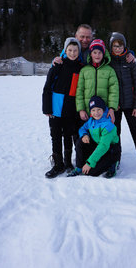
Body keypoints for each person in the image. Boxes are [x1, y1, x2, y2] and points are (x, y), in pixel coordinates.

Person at [109, 32, 136, 171]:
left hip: (130, 105)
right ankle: (116, 159)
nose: (118, 48)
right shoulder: (108, 61)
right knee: (115, 133)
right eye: (115, 46)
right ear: (111, 47)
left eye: (120, 45)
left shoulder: (130, 61)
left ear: (124, 46)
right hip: (115, 105)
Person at [42, 37, 83, 178]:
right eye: (70, 50)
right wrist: (47, 108)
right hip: (55, 109)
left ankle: (67, 162)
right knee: (56, 136)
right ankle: (58, 163)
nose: (72, 53)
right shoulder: (57, 66)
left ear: (79, 51)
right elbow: (47, 88)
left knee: (68, 135)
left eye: (75, 50)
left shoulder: (80, 67)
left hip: (70, 110)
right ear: (65, 51)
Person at [68, 96, 120, 178]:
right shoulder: (92, 120)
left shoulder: (108, 124)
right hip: (97, 145)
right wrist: (85, 135)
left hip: (110, 150)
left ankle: (113, 163)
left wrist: (89, 163)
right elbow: (82, 128)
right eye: (93, 110)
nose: (96, 113)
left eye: (99, 109)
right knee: (80, 141)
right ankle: (79, 168)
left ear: (103, 109)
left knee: (91, 172)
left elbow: (103, 146)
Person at [76, 39, 119, 124]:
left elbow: (114, 91)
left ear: (103, 54)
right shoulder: (84, 70)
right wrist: (81, 109)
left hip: (104, 112)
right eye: (94, 52)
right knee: (86, 135)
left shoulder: (110, 71)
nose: (97, 55)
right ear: (90, 54)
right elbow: (79, 91)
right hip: (88, 112)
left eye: (100, 52)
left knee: (104, 135)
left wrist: (111, 108)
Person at [52, 24, 135, 65]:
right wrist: (55, 61)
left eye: (88, 37)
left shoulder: (96, 50)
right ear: (76, 36)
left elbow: (113, 54)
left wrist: (128, 53)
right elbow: (60, 61)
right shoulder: (68, 51)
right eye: (82, 37)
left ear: (92, 37)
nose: (85, 40)